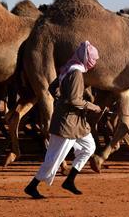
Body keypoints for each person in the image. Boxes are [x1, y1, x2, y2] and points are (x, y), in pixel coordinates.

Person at [24, 41, 102, 199]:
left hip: (74, 122)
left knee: (89, 146)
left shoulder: (68, 68)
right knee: (54, 158)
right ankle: (32, 186)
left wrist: (61, 101)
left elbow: (53, 88)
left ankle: (70, 180)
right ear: (86, 58)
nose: (94, 62)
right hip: (67, 123)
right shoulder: (77, 73)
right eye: (93, 59)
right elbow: (74, 100)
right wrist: (91, 106)